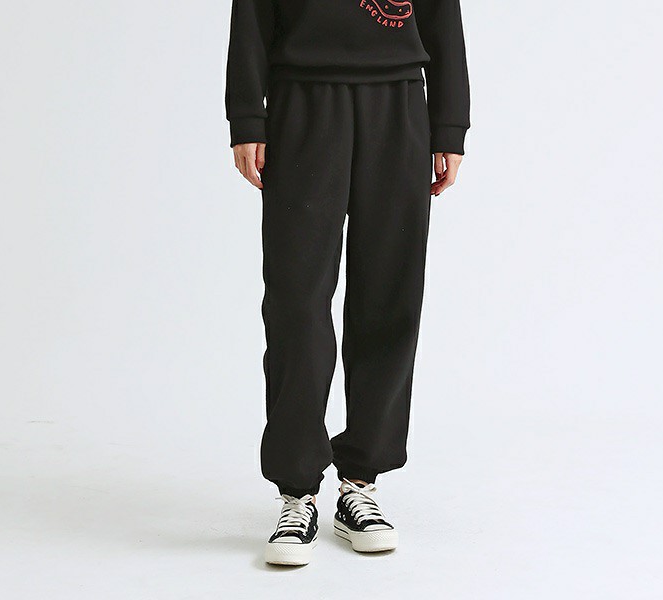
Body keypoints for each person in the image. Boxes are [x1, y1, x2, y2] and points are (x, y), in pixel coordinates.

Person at [225, 0, 470, 566]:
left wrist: (449, 125)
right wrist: (247, 116)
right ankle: (297, 490)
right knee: (296, 300)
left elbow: (443, 18)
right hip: (302, 100)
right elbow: (251, 14)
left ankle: (361, 480)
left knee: (390, 295)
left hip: (399, 102)